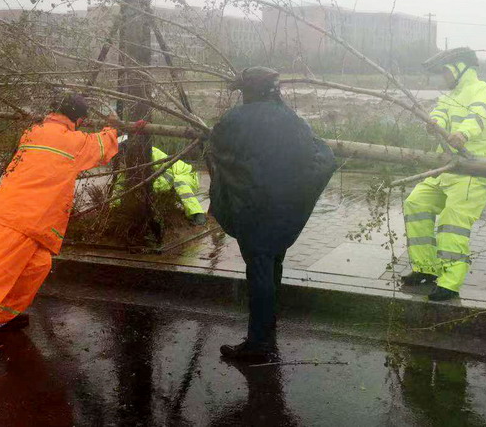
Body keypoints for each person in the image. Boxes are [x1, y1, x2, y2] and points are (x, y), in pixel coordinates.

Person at [0, 94, 146, 355]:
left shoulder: (34, 132)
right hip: (16, 218)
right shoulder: (72, 142)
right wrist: (115, 127)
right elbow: (101, 147)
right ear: (79, 120)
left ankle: (1, 315)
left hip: (31, 220)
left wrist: (123, 133)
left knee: (36, 267)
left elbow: (94, 145)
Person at [208, 67, 336, 363]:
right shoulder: (294, 122)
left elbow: (218, 152)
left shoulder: (234, 120)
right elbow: (320, 157)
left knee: (259, 271)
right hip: (284, 212)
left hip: (252, 210)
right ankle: (267, 329)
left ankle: (258, 344)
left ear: (248, 91)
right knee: (273, 264)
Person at [402, 48, 486, 301]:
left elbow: (479, 114)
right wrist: (433, 123)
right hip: (449, 166)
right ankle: (426, 268)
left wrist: (463, 134)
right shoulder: (450, 96)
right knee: (416, 203)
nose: (444, 76)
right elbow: (440, 113)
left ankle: (449, 283)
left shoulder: (485, 90)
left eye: (446, 71)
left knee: (452, 220)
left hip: (475, 170)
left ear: (459, 68)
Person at [112, 142, 207, 225]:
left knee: (179, 182)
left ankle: (197, 214)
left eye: (122, 157)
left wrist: (151, 190)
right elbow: (120, 186)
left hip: (185, 175)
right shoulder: (129, 164)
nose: (122, 161)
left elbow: (168, 176)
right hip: (167, 183)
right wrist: (114, 206)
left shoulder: (152, 153)